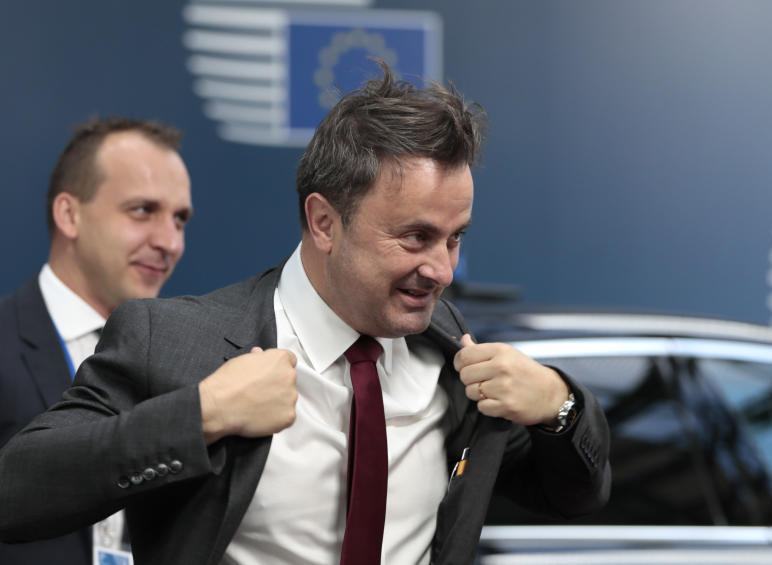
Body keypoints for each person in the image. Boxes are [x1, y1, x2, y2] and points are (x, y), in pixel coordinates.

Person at [0, 64, 609, 565]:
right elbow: (17, 492)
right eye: (415, 237)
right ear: (323, 222)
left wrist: (561, 406)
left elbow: (578, 495)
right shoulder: (177, 342)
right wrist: (202, 416)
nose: (443, 271)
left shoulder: (455, 359)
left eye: (455, 239)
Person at [0, 117, 193, 565]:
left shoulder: (187, 365)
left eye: (180, 219)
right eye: (143, 210)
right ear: (70, 214)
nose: (169, 241)